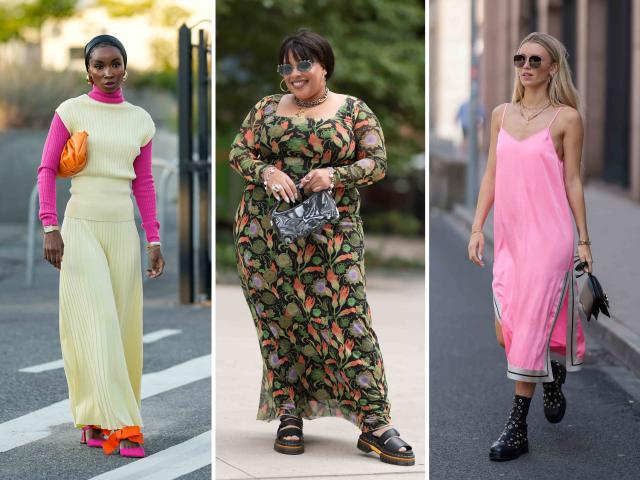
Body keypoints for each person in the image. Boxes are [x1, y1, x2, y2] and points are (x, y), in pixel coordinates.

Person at [229, 29, 414, 466]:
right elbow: (238, 152)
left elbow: (378, 162)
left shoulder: (353, 110)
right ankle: (289, 413)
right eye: (287, 67)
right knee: (278, 322)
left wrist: (336, 176)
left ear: (324, 65)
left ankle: (375, 422)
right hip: (263, 233)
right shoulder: (265, 109)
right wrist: (266, 172)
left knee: (347, 321)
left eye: (303, 64)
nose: (294, 74)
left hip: (332, 236)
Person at [37, 34, 164, 458]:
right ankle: (125, 424)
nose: (108, 73)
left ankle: (94, 416)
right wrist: (50, 227)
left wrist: (154, 238)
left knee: (124, 328)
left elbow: (143, 183)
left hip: (121, 228)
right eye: (99, 66)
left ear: (126, 67)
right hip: (80, 227)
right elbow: (46, 169)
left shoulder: (140, 120)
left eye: (115, 65)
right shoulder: (70, 111)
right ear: (87, 70)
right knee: (96, 322)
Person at [468, 32, 592, 462]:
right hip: (511, 240)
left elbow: (574, 181)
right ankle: (553, 373)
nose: (526, 65)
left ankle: (517, 427)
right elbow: (490, 176)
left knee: (534, 322)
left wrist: (585, 239)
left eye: (536, 60)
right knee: (509, 330)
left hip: (551, 237)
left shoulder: (566, 119)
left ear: (553, 67)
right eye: (521, 58)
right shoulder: (501, 114)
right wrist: (477, 227)